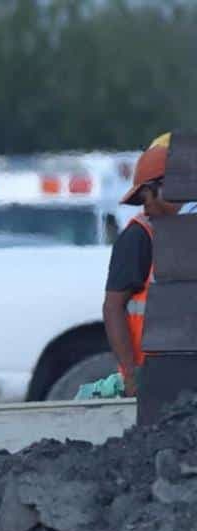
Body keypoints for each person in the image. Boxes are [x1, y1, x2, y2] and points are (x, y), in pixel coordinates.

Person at [103, 144, 182, 397]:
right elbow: (113, 306)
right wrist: (131, 375)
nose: (144, 208)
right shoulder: (139, 236)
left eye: (145, 197)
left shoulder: (186, 234)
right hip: (151, 376)